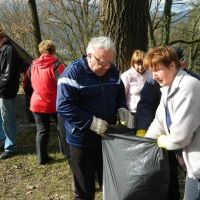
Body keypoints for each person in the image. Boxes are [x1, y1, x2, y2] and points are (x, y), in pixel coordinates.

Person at [56, 36, 133, 200]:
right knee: (84, 188)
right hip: (81, 139)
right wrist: (90, 122)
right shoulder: (73, 73)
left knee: (110, 183)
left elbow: (119, 93)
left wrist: (122, 107)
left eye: (109, 62)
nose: (106, 67)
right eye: (101, 62)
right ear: (89, 55)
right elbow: (63, 106)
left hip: (107, 137)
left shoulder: (112, 70)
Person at [142, 46, 200, 200]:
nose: (154, 76)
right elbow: (159, 122)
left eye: (157, 70)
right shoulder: (168, 88)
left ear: (173, 65)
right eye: (151, 71)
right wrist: (145, 144)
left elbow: (180, 138)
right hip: (193, 168)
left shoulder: (188, 87)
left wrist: (163, 141)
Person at [29, 40, 65, 165]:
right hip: (54, 102)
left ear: (41, 51)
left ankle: (41, 158)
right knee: (62, 127)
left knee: (42, 130)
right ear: (53, 50)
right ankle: (64, 151)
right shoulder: (57, 64)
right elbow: (63, 83)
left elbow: (27, 83)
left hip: (37, 102)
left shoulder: (32, 65)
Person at [0, 24, 22, 159]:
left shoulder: (8, 49)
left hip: (6, 91)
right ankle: (3, 141)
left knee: (7, 119)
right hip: (1, 89)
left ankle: (11, 146)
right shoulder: (2, 49)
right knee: (0, 119)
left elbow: (7, 76)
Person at [121, 50, 151, 129]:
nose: (141, 67)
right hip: (132, 112)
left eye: (143, 64)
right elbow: (121, 95)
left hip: (148, 111)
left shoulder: (150, 74)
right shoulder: (127, 75)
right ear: (133, 63)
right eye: (138, 64)